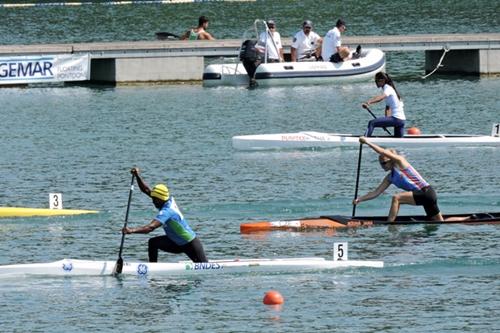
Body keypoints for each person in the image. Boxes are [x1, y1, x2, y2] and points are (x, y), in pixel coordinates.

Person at [122, 167, 208, 263]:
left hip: (190, 243)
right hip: (175, 242)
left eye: (154, 199)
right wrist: (137, 176)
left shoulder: (167, 211)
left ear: (160, 199)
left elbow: (150, 228)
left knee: (205, 268)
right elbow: (146, 190)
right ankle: (152, 268)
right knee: (153, 243)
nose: (153, 201)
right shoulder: (165, 199)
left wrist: (131, 230)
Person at [353, 137, 444, 222]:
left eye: (384, 163)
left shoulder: (400, 162)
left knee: (396, 198)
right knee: (439, 221)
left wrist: (367, 142)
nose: (382, 165)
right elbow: (376, 193)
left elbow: (383, 152)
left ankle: (390, 225)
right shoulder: (390, 178)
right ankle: (458, 220)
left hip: (426, 192)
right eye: (380, 163)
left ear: (391, 160)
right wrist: (359, 199)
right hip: (424, 196)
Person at [362, 71, 406, 137]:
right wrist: (385, 123)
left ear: (383, 81)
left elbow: (381, 97)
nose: (375, 82)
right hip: (401, 121)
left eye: (376, 80)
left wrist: (368, 102)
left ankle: (364, 139)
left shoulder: (387, 88)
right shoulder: (391, 90)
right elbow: (388, 108)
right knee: (398, 140)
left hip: (396, 119)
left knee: (372, 123)